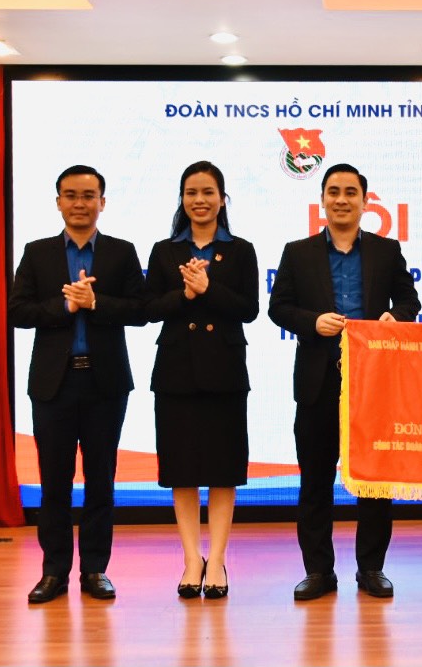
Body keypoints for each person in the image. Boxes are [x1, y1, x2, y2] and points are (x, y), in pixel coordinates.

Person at [269, 163, 421, 601]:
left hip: (374, 382)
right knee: (315, 482)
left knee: (374, 482)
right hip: (318, 382)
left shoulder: (386, 251)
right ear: (322, 199)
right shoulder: (298, 252)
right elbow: (278, 308)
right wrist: (311, 322)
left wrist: (396, 317)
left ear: (365, 201)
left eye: (350, 192)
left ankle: (371, 569)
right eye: (333, 191)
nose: (341, 199)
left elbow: (409, 300)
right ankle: (318, 571)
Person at [9, 164, 147, 604]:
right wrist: (64, 307)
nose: (80, 204)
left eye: (88, 196)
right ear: (58, 202)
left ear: (102, 202)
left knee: (101, 480)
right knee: (54, 481)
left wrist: (96, 302)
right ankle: (53, 572)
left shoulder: (121, 253)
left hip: (105, 383)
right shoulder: (37, 253)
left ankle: (94, 569)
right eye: (71, 195)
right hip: (54, 384)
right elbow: (17, 312)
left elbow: (141, 310)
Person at [144, 161, 259, 600]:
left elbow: (249, 309)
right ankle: (192, 558)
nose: (200, 200)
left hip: (225, 372)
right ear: (182, 198)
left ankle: (218, 560)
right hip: (176, 372)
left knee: (223, 470)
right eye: (191, 192)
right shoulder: (164, 250)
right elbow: (148, 308)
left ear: (222, 199)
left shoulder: (241, 250)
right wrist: (185, 294)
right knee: (183, 470)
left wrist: (209, 289)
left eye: (208, 192)